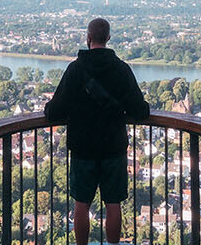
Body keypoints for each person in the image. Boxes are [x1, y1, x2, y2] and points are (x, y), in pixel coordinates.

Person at [45, 18, 150, 245]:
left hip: (83, 147)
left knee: (81, 204)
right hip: (113, 146)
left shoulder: (75, 69)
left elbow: (55, 110)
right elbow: (140, 110)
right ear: (109, 38)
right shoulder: (121, 69)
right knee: (113, 203)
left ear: (88, 37)